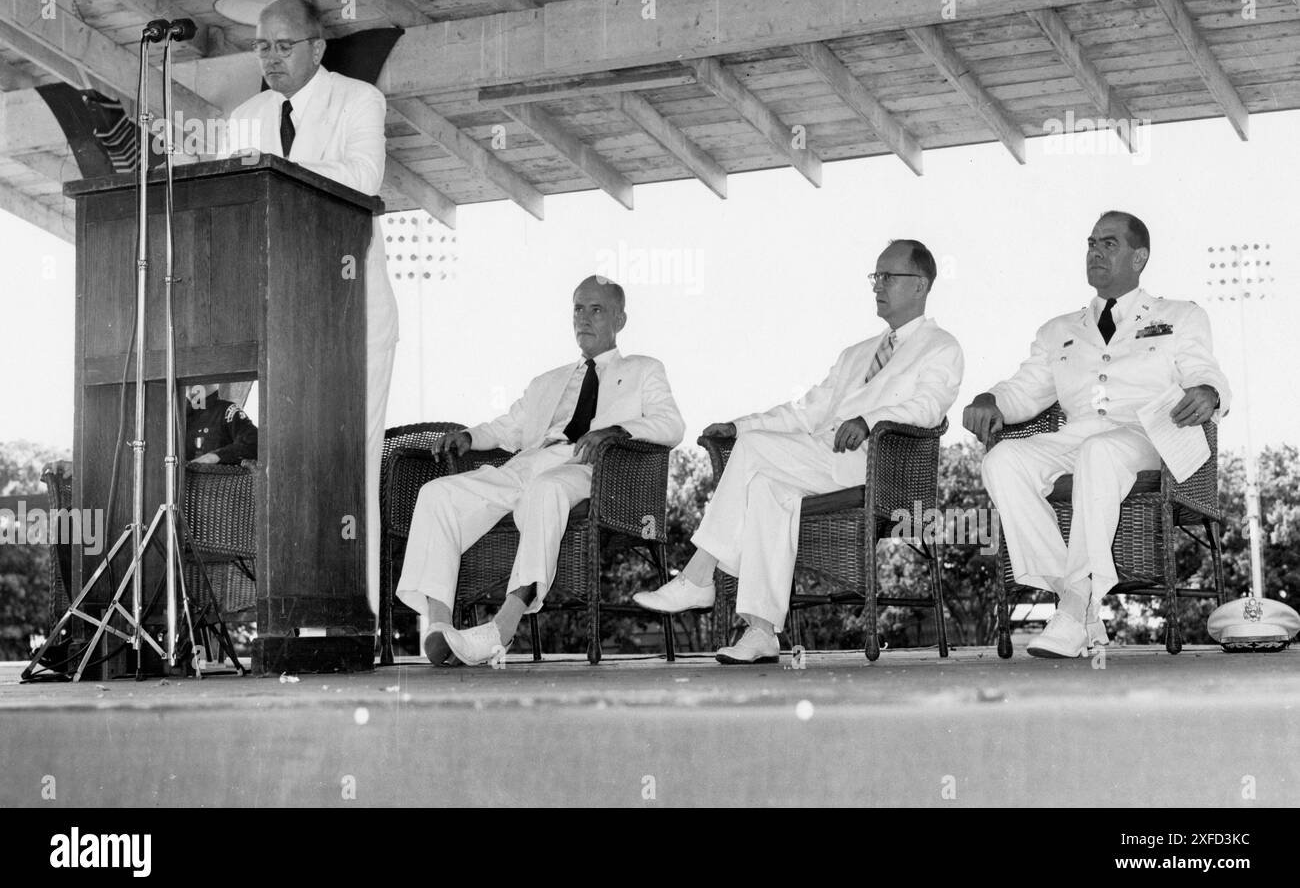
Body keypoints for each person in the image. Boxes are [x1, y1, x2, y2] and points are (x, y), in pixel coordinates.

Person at [631, 240, 963, 665]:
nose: (878, 285)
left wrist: (868, 421)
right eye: (875, 277)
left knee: (754, 455)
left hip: (878, 464)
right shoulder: (856, 353)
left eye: (889, 277)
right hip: (821, 457)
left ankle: (698, 574)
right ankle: (761, 631)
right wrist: (740, 425)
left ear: (920, 286)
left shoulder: (941, 346)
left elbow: (928, 407)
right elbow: (805, 411)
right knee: (768, 484)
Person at [963, 211, 1230, 658]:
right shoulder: (1059, 331)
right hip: (1078, 434)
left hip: (1147, 433)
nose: (1095, 252)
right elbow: (1024, 391)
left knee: (1100, 452)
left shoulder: (1179, 315)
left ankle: (1071, 614)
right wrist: (989, 398)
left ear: (1139, 257)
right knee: (1002, 461)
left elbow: (1205, 372)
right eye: (1091, 243)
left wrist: (1207, 391)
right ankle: (1077, 603)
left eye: (1109, 244)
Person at [398, 276, 684, 666]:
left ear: (621, 319)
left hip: (590, 470)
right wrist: (469, 435)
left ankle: (504, 626)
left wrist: (616, 431)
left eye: (596, 310)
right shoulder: (548, 381)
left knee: (546, 490)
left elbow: (671, 425)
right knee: (438, 494)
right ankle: (438, 625)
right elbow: (507, 426)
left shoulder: (643, 370)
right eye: (578, 308)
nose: (583, 318)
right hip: (526, 464)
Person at [223, 0, 399, 615]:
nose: (270, 57)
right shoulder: (241, 117)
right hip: (286, 322)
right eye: (261, 46)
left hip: (353, 315)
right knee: (293, 469)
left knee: (350, 464)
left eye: (284, 45)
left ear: (317, 48)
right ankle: (298, 613)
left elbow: (363, 177)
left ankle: (360, 615)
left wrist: (270, 169)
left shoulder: (358, 100)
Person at [185, 384, 257, 465]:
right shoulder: (175, 416)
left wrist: (216, 456)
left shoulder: (227, 411)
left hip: (215, 476)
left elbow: (255, 442)